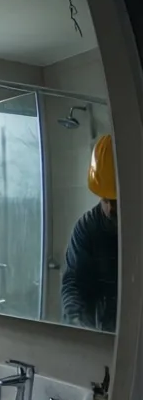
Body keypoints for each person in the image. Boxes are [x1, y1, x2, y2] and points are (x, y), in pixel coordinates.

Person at [62, 133, 118, 332]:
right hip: (105, 333)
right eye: (105, 199)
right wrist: (76, 324)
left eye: (117, 200)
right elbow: (74, 283)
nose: (111, 208)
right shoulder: (87, 228)